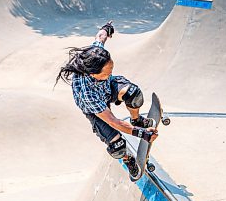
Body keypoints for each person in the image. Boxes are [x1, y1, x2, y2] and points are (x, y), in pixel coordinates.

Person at [55, 22, 158, 178]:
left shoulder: (96, 55)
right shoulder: (87, 93)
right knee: (117, 146)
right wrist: (142, 134)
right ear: (93, 74)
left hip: (107, 89)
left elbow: (100, 38)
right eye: (107, 72)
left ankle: (136, 119)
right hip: (95, 110)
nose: (111, 72)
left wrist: (106, 29)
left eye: (112, 68)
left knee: (133, 94)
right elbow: (113, 122)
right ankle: (127, 159)